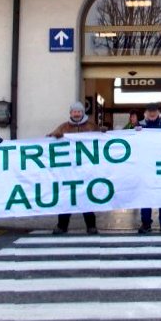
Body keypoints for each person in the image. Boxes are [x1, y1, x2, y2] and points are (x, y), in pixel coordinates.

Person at [47, 101, 103, 235]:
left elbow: (101, 138)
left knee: (86, 197)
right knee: (67, 197)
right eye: (74, 111)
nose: (76, 114)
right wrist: (53, 136)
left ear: (82, 113)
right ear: (70, 113)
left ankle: (91, 226)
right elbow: (50, 138)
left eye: (79, 111)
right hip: (68, 170)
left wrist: (104, 132)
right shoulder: (63, 127)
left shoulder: (91, 126)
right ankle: (62, 225)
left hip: (86, 169)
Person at [135, 103, 161, 234]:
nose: (152, 113)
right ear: (146, 113)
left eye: (154, 111)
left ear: (158, 112)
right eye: (150, 111)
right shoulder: (139, 126)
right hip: (145, 166)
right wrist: (135, 132)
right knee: (145, 195)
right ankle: (146, 223)